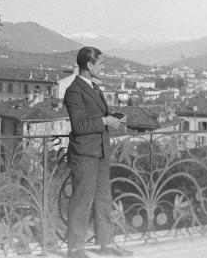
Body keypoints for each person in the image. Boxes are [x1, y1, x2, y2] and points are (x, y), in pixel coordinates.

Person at [62, 47, 132, 258]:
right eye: (101, 63)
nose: (103, 67)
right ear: (89, 65)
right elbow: (79, 125)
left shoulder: (94, 88)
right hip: (84, 155)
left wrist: (115, 118)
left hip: (100, 152)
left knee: (103, 199)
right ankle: (75, 249)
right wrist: (104, 121)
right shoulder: (74, 90)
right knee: (82, 201)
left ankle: (107, 243)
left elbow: (102, 114)